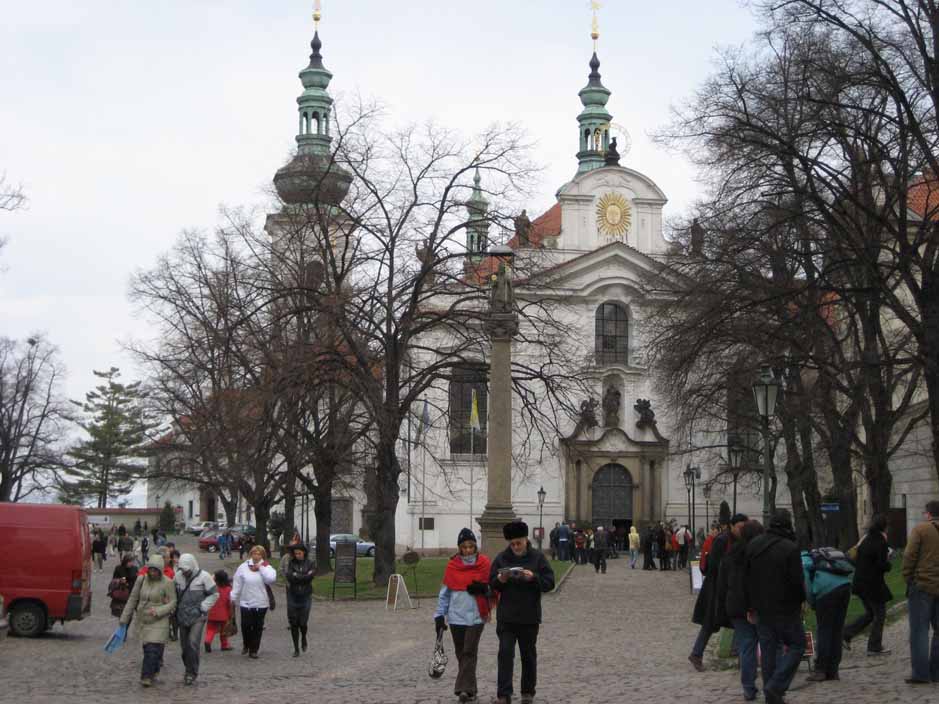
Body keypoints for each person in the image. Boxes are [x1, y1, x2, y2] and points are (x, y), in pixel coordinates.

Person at [489, 520, 556, 704]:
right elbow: (492, 583)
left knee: (528, 656)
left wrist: (534, 578)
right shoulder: (502, 558)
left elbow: (550, 582)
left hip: (529, 616)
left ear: (526, 540)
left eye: (518, 543)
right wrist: (500, 580)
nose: (516, 547)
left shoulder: (538, 558)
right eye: (512, 544)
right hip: (507, 617)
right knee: (505, 653)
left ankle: (527, 692)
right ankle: (504, 694)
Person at [745, 509, 806, 704]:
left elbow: (747, 578)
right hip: (785, 607)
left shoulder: (754, 545)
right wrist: (801, 601)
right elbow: (797, 581)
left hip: (761, 607)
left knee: (768, 650)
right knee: (798, 645)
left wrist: (750, 605)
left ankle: (772, 695)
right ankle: (776, 686)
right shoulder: (790, 548)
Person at [435, 529, 492, 704]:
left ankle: (462, 689)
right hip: (456, 617)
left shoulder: (484, 564)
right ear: (460, 548)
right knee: (462, 654)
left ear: (475, 546)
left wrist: (484, 589)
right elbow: (445, 594)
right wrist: (439, 615)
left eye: (471, 546)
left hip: (477, 616)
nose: (468, 550)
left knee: (469, 651)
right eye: (464, 547)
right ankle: (471, 689)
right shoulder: (453, 566)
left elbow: (494, 588)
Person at [689, 508, 745, 671]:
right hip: (716, 587)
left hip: (730, 587)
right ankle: (696, 654)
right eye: (739, 527)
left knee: (739, 620)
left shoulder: (740, 541)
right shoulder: (722, 540)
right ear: (731, 526)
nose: (742, 530)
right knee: (710, 623)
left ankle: (739, 653)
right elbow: (713, 565)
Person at [717, 519, 764, 702]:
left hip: (736, 606)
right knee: (767, 645)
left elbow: (722, 583)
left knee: (746, 646)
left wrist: (725, 603)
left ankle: (748, 687)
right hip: (757, 606)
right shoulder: (758, 555)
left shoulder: (731, 553)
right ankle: (771, 684)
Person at [120, 554, 177, 687]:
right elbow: (133, 599)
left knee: (152, 648)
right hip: (144, 620)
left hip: (159, 620)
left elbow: (173, 602)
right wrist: (124, 618)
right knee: (149, 649)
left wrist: (159, 611)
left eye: (155, 570)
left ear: (160, 570)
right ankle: (154, 670)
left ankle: (146, 676)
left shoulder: (168, 583)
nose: (152, 572)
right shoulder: (141, 580)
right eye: (150, 569)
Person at [802, 544, 854, 682]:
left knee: (824, 630)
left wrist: (812, 602)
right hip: (845, 587)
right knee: (837, 630)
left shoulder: (803, 560)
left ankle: (820, 670)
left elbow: (806, 584)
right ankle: (833, 670)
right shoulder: (820, 556)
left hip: (826, 591)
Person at [901, 499, 939, 685]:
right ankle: (937, 671)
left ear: (928, 514)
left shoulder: (921, 529)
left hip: (922, 585)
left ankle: (921, 673)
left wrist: (908, 577)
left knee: (919, 631)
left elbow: (909, 556)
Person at [843, 513, 893, 655]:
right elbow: (882, 564)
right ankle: (874, 646)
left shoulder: (866, 538)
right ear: (885, 527)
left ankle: (846, 633)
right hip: (873, 585)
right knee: (880, 614)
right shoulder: (881, 542)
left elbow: (858, 559)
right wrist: (889, 564)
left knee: (871, 613)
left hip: (860, 582)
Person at [174, 554, 218, 685]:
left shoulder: (204, 577)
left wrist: (203, 607)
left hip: (198, 616)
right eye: (182, 569)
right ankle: (188, 666)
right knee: (184, 647)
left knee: (193, 643)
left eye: (186, 569)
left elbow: (214, 594)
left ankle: (191, 672)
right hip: (182, 615)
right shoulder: (177, 577)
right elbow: (173, 593)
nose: (184, 572)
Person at [231, 544, 276, 658]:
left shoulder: (266, 566)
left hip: (261, 602)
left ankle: (254, 650)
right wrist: (233, 596)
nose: (256, 556)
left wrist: (260, 568)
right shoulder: (243, 567)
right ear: (251, 554)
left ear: (263, 555)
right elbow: (237, 582)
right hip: (246, 602)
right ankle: (246, 644)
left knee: (257, 627)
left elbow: (271, 579)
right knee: (246, 625)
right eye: (254, 553)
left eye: (259, 554)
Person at [284, 543, 315, 657]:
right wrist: (303, 576)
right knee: (294, 623)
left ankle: (304, 637)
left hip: (305, 595)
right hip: (293, 595)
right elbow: (289, 576)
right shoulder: (291, 563)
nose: (297, 555)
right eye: (296, 553)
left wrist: (298, 575)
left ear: (304, 553)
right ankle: (296, 648)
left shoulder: (310, 563)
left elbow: (310, 577)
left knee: (303, 623)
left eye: (299, 553)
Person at [204, 570, 234, 653]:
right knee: (224, 631)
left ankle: (207, 640)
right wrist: (231, 614)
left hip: (212, 613)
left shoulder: (213, 588)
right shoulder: (228, 589)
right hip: (224, 614)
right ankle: (224, 645)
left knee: (210, 629)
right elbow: (229, 603)